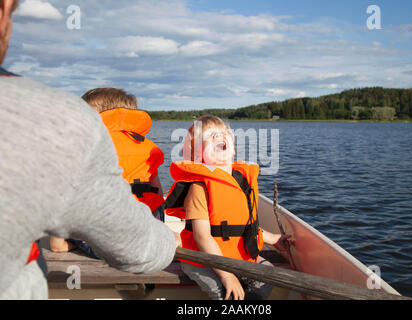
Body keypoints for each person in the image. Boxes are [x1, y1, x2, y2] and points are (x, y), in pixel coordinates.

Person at [0, 0, 179, 299]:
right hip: (141, 228)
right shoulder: (137, 148)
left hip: (101, 240)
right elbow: (135, 241)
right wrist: (166, 241)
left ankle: (60, 242)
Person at [164, 115, 289, 300]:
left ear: (233, 148)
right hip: (203, 259)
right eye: (209, 136)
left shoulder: (241, 183)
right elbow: (202, 237)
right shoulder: (200, 189)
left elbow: (242, 226)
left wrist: (273, 239)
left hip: (239, 257)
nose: (218, 136)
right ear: (196, 156)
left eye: (223, 133)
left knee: (268, 276)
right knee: (225, 294)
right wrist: (227, 275)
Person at [50, 88, 166, 256]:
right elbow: (157, 193)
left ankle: (59, 244)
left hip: (104, 246)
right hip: (143, 240)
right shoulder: (147, 147)